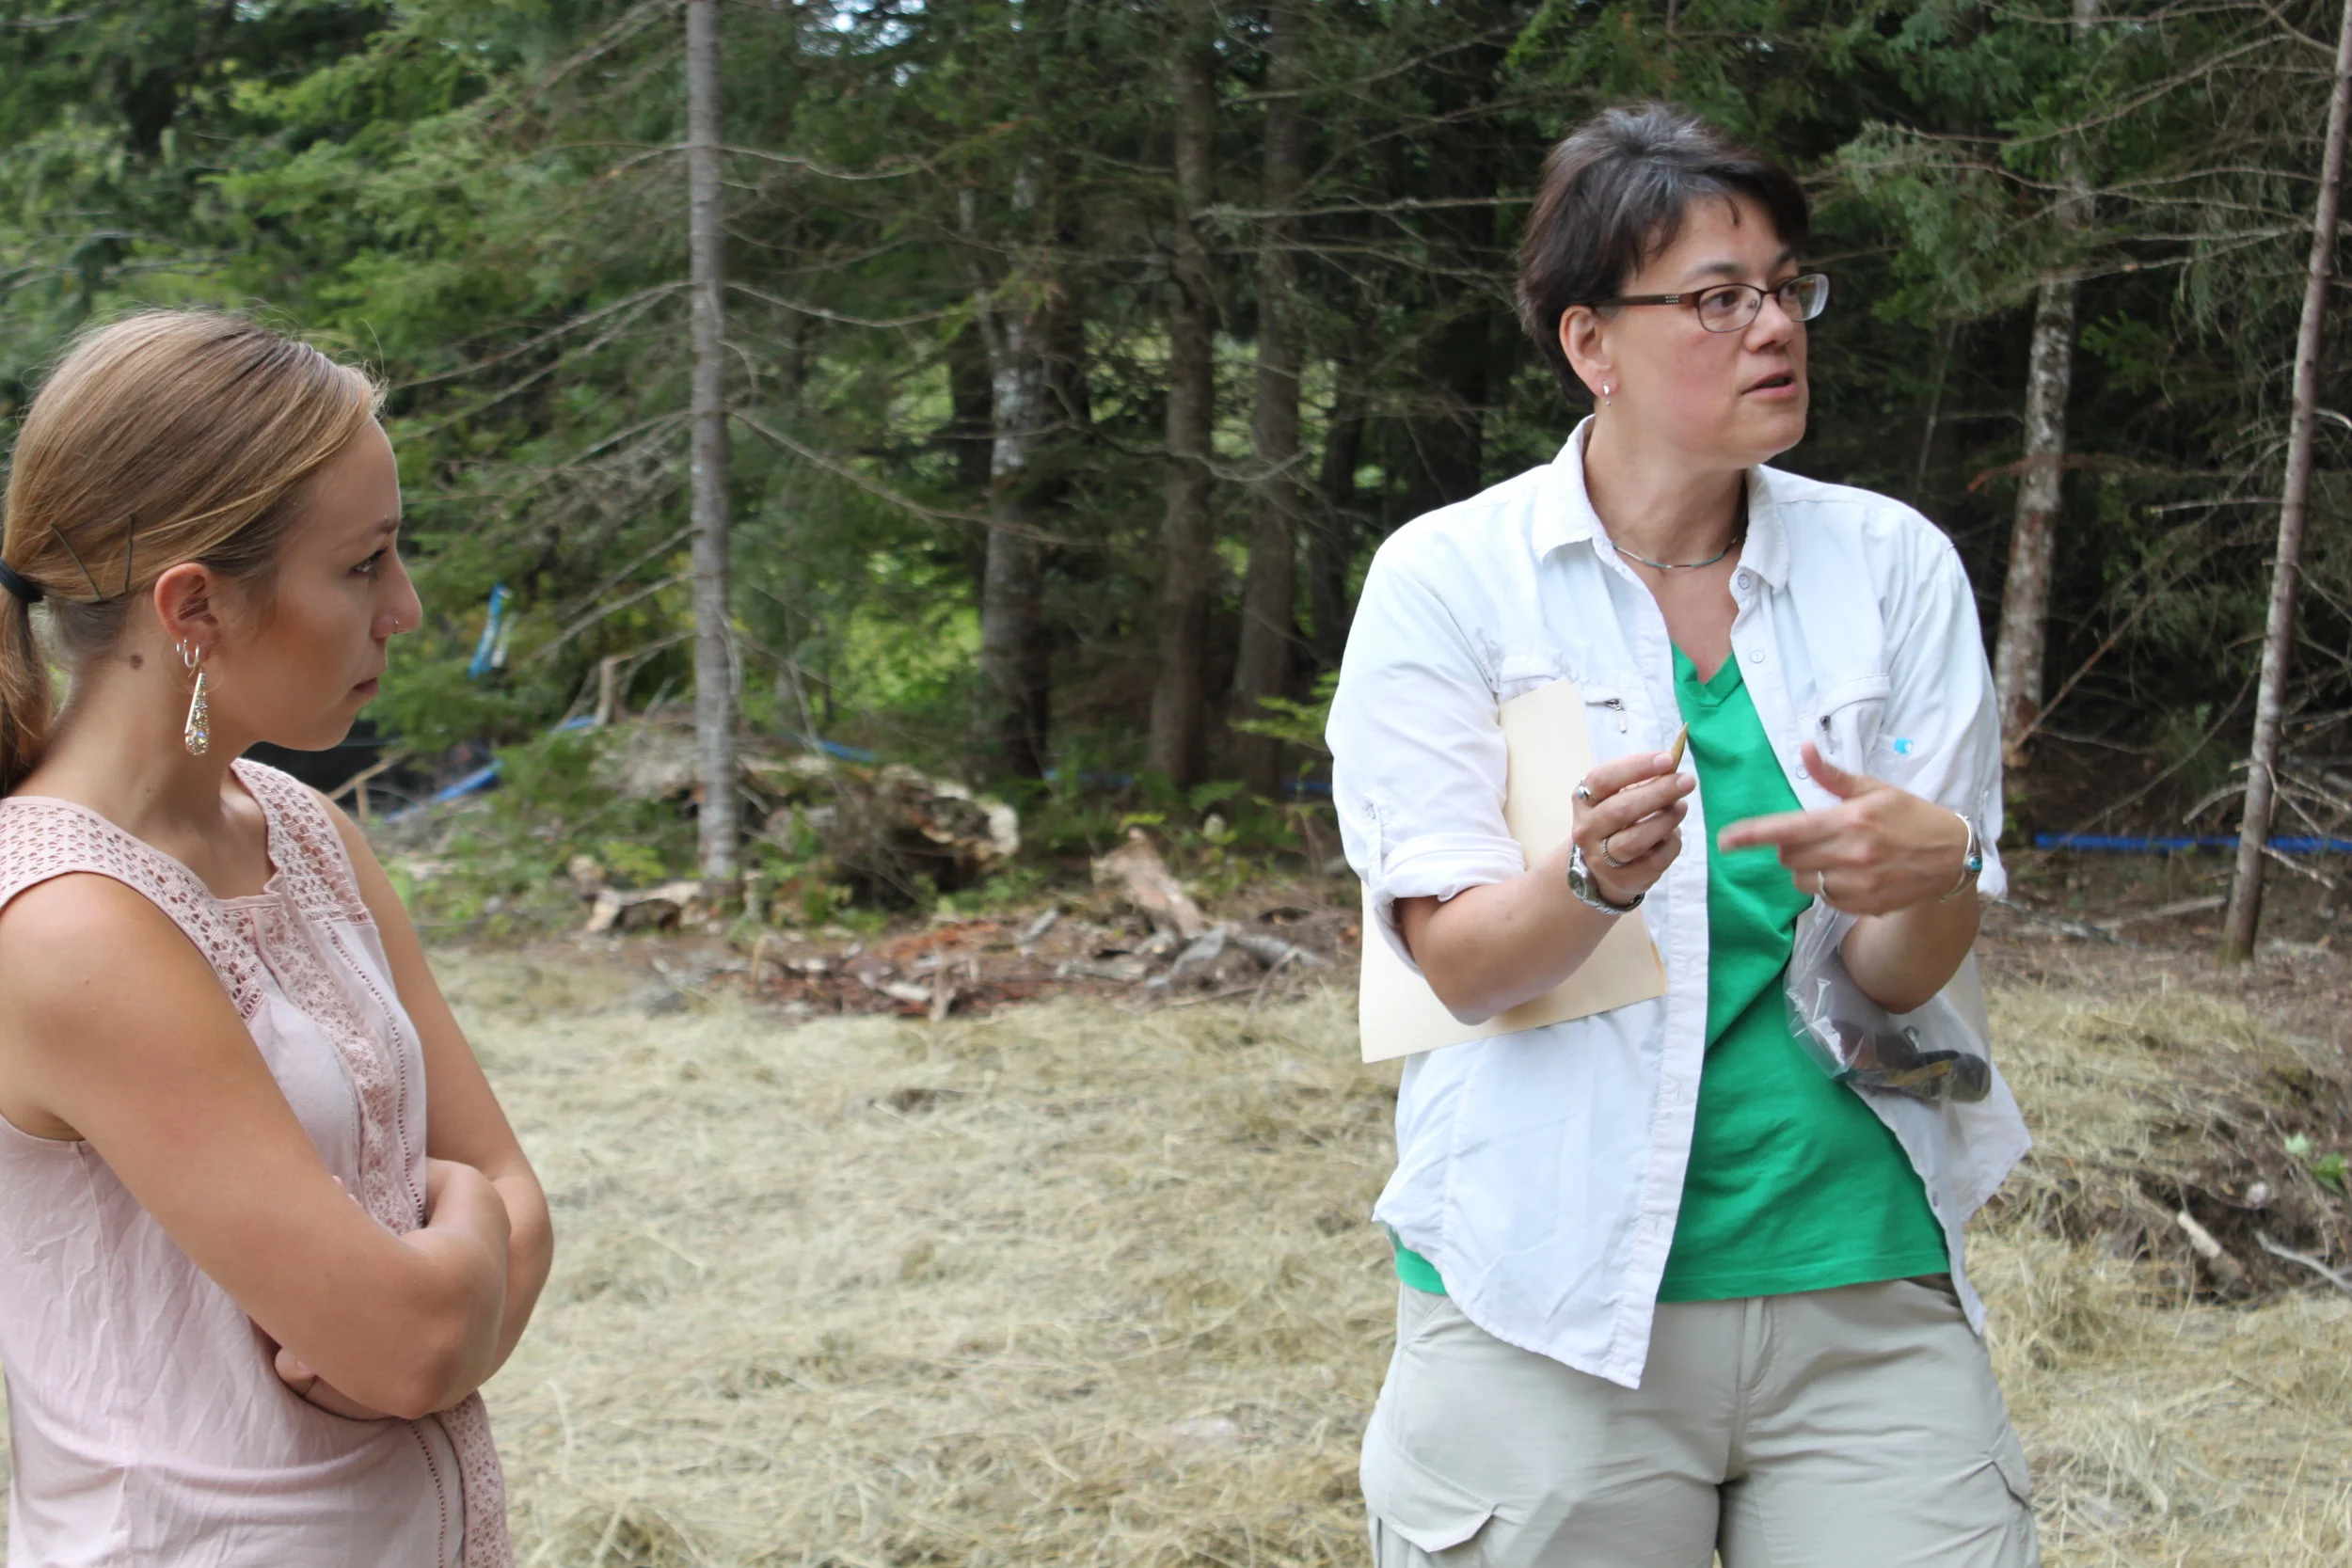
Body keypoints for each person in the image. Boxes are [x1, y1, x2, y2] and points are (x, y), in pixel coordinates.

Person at [1328, 105, 2038, 1567]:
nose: (1773, 326)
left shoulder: (1892, 569)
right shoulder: (1452, 581)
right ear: (1592, 342)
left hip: (1861, 1289)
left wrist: (1935, 870)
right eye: (1717, 298)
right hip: (1542, 1301)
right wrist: (1589, 879)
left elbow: (1899, 975)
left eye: (1786, 288)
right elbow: (1460, 968)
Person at [0, 311, 551, 1566]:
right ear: (194, 605)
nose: (406, 609)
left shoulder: (304, 830)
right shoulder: (67, 920)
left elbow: (512, 1213)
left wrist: (450, 1275)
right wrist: (466, 1234)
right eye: (364, 564)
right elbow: (417, 1337)